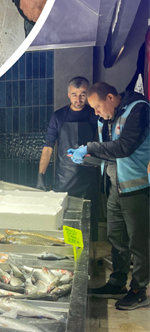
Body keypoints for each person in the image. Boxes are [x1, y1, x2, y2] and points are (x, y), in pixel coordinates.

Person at [70, 82, 150, 311]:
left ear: (111, 98)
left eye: (97, 106)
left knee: (139, 242)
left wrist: (90, 147)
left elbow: (124, 147)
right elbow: (109, 153)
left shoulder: (139, 109)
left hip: (137, 187)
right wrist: (85, 157)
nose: (95, 112)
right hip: (114, 186)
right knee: (116, 238)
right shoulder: (105, 118)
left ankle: (138, 291)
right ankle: (117, 283)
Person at [37, 77, 99, 238]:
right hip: (65, 178)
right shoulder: (58, 116)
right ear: (68, 94)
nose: (78, 99)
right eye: (74, 95)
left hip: (90, 177)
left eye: (83, 94)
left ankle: (89, 253)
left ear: (88, 94)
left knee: (89, 220)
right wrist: (40, 175)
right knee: (67, 220)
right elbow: (48, 147)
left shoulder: (95, 113)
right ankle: (68, 252)